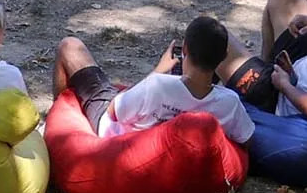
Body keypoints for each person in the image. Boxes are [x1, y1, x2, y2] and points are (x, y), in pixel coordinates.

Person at [53, 17, 254, 145]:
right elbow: (246, 140)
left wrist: (157, 71)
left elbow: (114, 111)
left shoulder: (157, 85)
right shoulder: (230, 103)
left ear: (184, 50)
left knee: (69, 45)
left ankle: (55, 122)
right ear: (223, 56)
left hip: (118, 138)